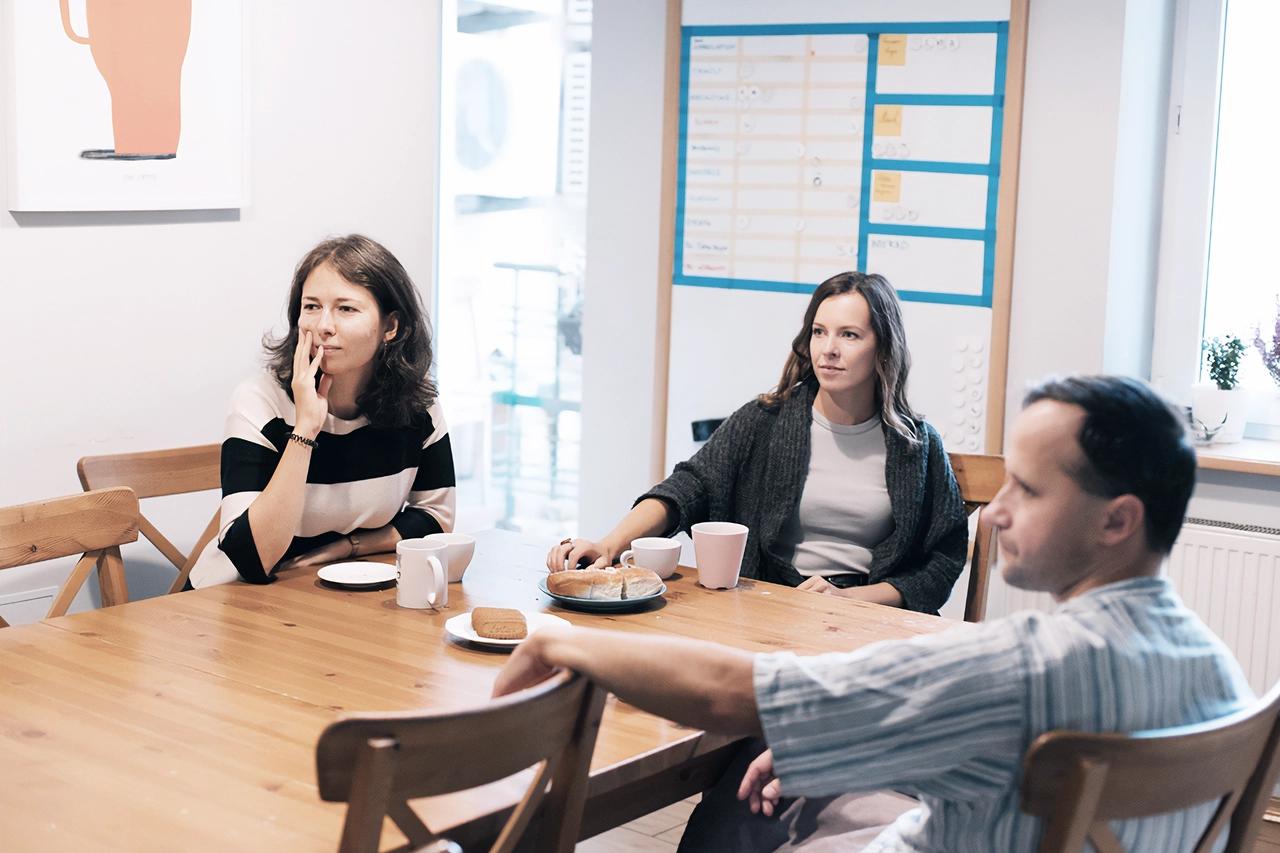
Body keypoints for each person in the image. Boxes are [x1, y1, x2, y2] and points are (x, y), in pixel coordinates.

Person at [499, 375, 1254, 851]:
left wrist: (569, 642)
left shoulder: (1018, 665)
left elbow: (737, 691)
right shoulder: (1218, 670)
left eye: (1028, 490)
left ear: (1116, 521)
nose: (994, 515)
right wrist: (834, 739)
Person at [549, 272, 967, 614]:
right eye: (819, 332)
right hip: (767, 605)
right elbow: (688, 487)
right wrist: (608, 543)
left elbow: (944, 557)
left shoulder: (918, 446)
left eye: (850, 335)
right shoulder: (765, 419)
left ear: (883, 347)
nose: (829, 350)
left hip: (866, 619)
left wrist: (856, 599)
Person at [188, 234, 456, 588]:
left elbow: (435, 518)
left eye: (346, 309)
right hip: (234, 602)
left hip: (331, 598)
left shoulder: (416, 406)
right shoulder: (261, 400)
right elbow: (252, 558)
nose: (323, 326)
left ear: (391, 326)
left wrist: (348, 547)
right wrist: (306, 429)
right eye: (311, 307)